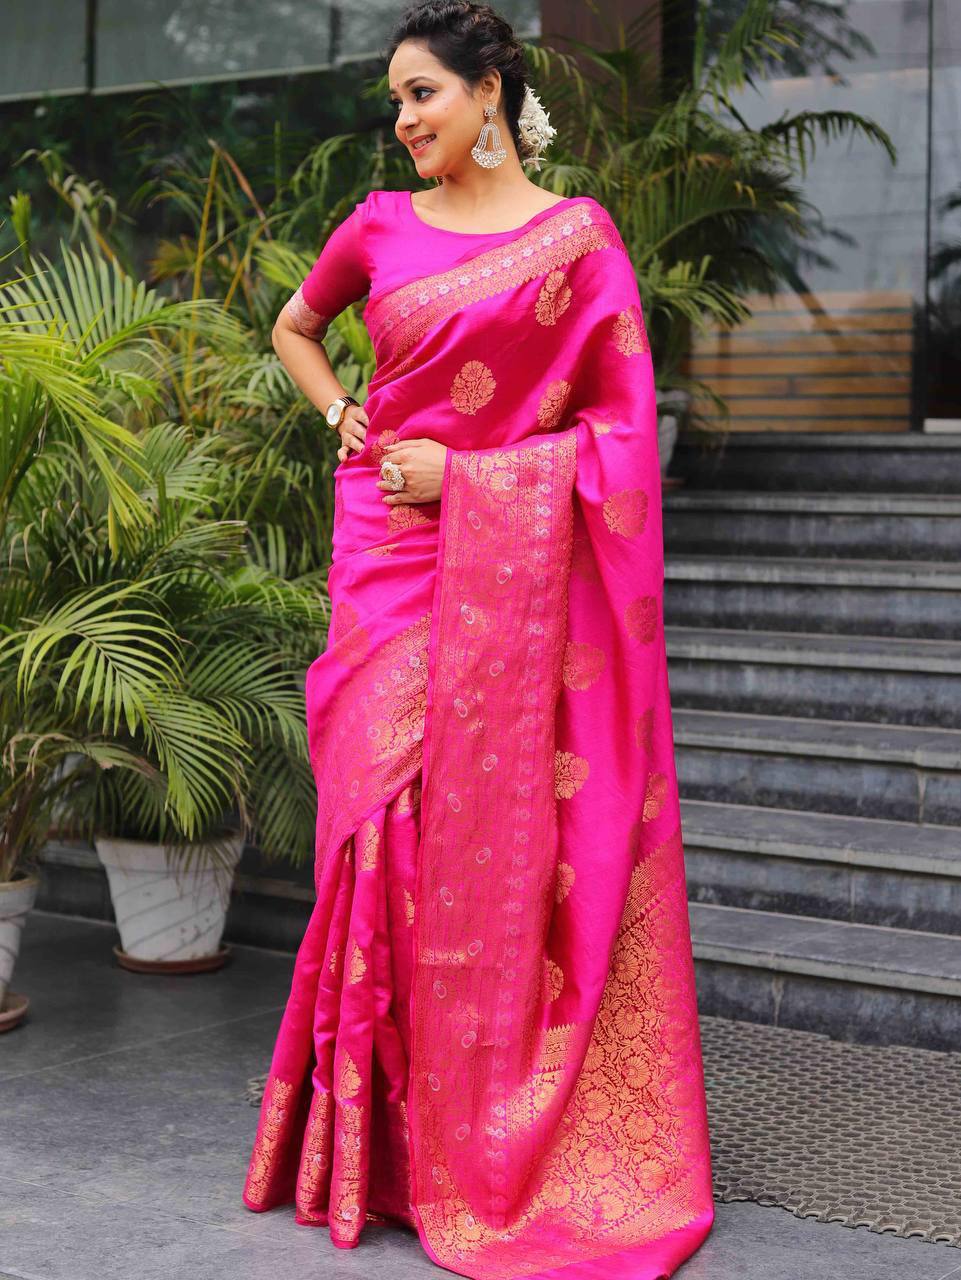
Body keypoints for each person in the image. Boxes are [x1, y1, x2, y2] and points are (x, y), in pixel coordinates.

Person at [241, 2, 714, 1275]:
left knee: (466, 825)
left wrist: (471, 481)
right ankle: (382, 1147)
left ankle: (468, 1135)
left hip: (501, 562)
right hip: (385, 560)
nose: (404, 120)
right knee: (380, 821)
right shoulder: (376, 227)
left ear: (490, 90)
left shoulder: (577, 240)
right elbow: (294, 326)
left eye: (423, 94)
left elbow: (621, 445)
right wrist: (340, 415)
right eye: (395, 100)